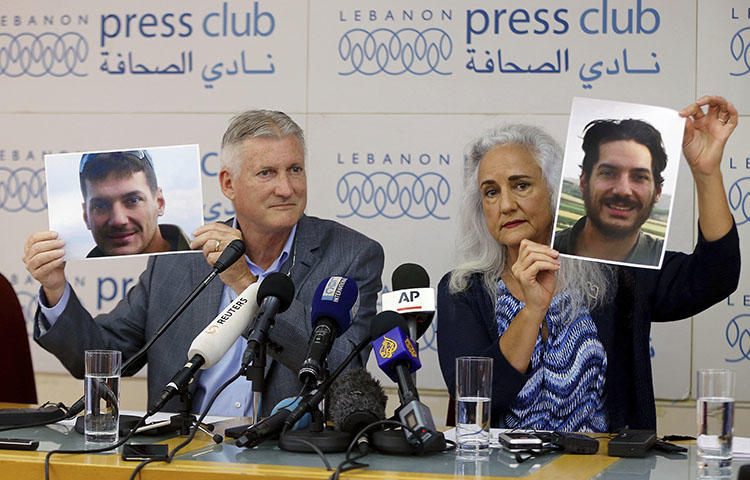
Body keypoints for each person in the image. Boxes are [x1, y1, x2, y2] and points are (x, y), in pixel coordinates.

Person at [23, 110, 385, 417]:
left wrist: (246, 284)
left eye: (294, 170)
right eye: (267, 173)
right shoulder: (181, 261)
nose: (287, 188)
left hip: (286, 456)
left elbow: (342, 369)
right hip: (182, 454)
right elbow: (104, 360)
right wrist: (56, 291)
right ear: (229, 184)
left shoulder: (350, 255)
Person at [437, 96, 740, 432]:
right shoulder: (463, 288)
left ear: (553, 190)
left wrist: (706, 172)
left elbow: (716, 276)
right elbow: (476, 398)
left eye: (521, 185)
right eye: (491, 192)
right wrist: (532, 310)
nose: (506, 204)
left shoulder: (613, 268)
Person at [554, 119, 668, 266]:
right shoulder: (545, 250)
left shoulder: (667, 264)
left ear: (657, 192)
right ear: (584, 182)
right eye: (608, 173)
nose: (623, 190)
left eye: (639, 177)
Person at [78, 149, 190, 257]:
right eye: (100, 206)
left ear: (159, 203)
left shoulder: (204, 262)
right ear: (86, 217)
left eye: (133, 200)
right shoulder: (68, 274)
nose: (118, 221)